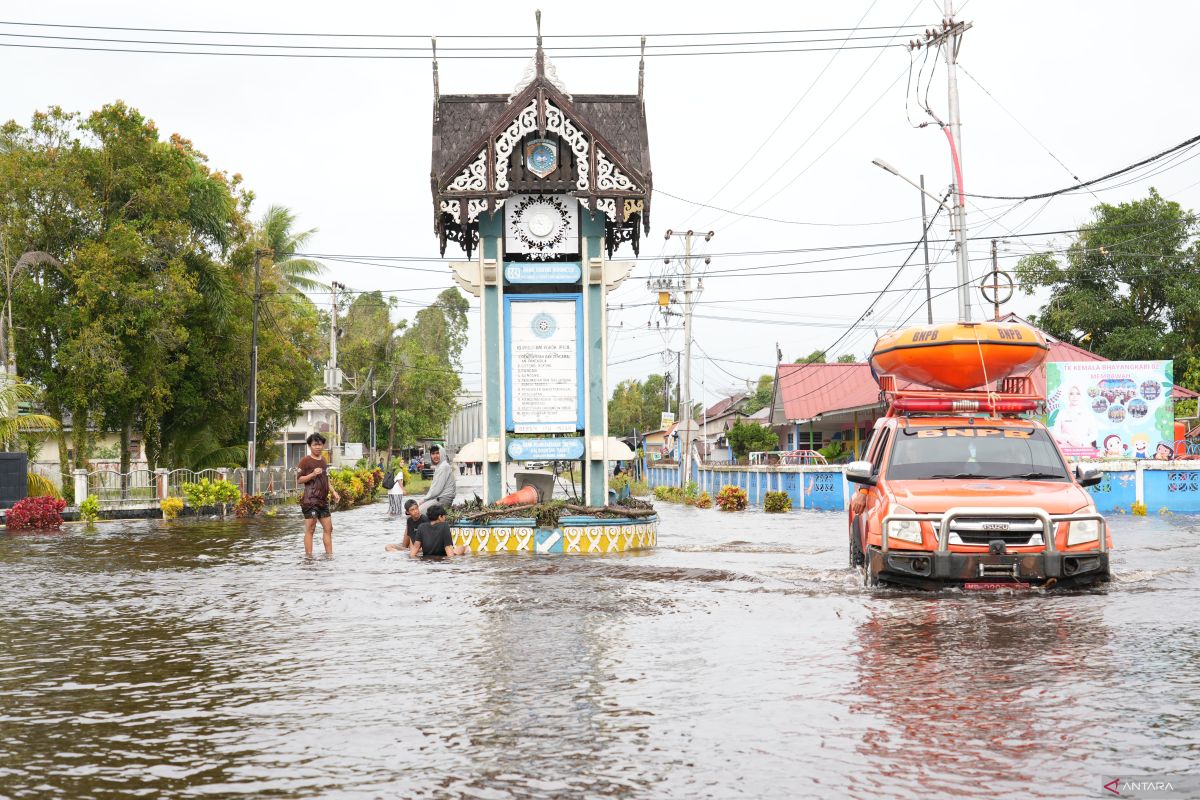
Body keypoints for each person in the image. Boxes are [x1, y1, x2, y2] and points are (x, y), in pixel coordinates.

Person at [297, 432, 342, 557]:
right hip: (310, 501)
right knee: (310, 529)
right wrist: (312, 474)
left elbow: (326, 479)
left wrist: (334, 492)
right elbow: (299, 480)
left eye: (320, 444)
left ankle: (329, 555)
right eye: (315, 445)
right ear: (310, 446)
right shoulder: (305, 461)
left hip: (323, 501)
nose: (318, 447)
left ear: (323, 445)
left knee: (329, 528)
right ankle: (309, 557)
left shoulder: (323, 460)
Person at [418, 444, 456, 515]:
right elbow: (434, 488)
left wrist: (424, 499)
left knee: (416, 513)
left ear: (442, 453)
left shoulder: (443, 467)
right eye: (433, 454)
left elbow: (436, 490)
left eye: (437, 453)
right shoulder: (440, 466)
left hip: (442, 500)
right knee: (414, 510)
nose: (435, 456)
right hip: (438, 499)